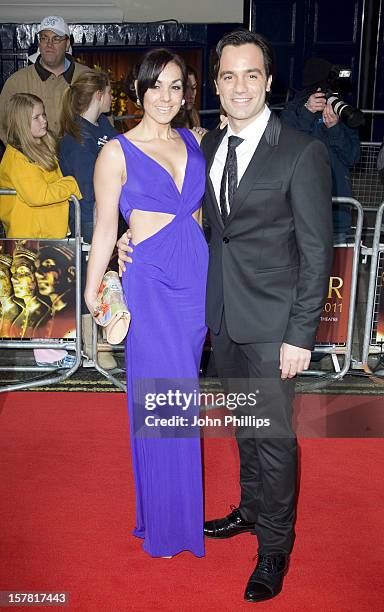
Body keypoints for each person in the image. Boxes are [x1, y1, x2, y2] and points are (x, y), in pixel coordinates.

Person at [118, 29, 333, 602]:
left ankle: (274, 547)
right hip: (219, 319)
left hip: (274, 327)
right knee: (244, 429)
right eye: (228, 75)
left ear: (269, 81)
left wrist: (300, 335)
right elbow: (197, 224)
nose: (240, 86)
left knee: (276, 439)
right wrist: (130, 244)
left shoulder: (301, 152)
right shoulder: (204, 146)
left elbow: (318, 252)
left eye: (252, 75)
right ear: (214, 84)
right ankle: (249, 508)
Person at [84, 49, 208, 558]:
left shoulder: (196, 142)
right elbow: (106, 227)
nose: (165, 97)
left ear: (186, 93)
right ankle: (169, 526)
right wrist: (93, 291)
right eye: (155, 86)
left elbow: (209, 215)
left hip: (197, 282)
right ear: (137, 92)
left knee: (183, 402)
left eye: (175, 86)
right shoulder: (115, 152)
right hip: (150, 283)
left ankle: (168, 512)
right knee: (166, 401)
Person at [0, 92, 81, 367]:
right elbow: (38, 194)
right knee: (38, 296)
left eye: (43, 114)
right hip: (28, 237)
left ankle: (51, 350)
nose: (44, 120)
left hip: (47, 235)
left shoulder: (40, 146)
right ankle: (46, 355)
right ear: (22, 122)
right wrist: (72, 185)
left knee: (50, 295)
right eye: (36, 117)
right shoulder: (16, 157)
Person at [59, 69, 117, 369]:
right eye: (109, 91)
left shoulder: (104, 126)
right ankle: (93, 344)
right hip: (88, 219)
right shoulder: (75, 138)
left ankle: (101, 340)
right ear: (98, 95)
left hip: (107, 215)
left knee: (106, 280)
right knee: (89, 280)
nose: (113, 97)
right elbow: (85, 189)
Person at [280, 57, 360, 244]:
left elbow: (353, 157)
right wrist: (307, 113)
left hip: (337, 214)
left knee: (339, 273)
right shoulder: (293, 112)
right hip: (300, 215)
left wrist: (335, 128)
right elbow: (285, 148)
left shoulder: (343, 113)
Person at [0, 15, 89, 144]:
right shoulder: (17, 82)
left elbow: (104, 122)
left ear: (67, 43)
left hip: (79, 161)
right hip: (32, 161)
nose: (49, 44)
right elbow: (3, 126)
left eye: (56, 39)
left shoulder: (86, 77)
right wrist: (27, 156)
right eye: (44, 38)